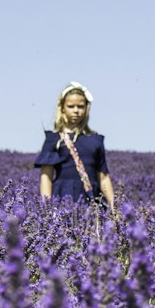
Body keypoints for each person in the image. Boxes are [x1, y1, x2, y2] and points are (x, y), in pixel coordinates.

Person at [34, 81, 116, 212]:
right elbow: (46, 176)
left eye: (80, 106)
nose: (76, 111)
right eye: (71, 106)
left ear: (86, 108)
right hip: (62, 196)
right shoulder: (54, 139)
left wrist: (114, 207)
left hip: (91, 198)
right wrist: (46, 209)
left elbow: (103, 176)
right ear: (62, 108)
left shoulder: (95, 140)